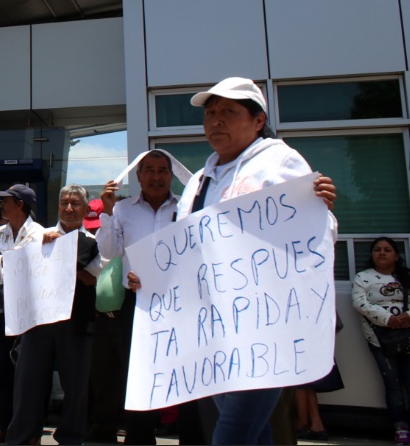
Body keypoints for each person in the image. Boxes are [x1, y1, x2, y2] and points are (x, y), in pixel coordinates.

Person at [128, 77, 336, 446]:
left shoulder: (279, 162)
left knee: (233, 431)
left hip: (266, 327)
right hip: (215, 328)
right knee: (252, 431)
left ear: (258, 121)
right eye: (210, 114)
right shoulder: (199, 181)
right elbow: (183, 249)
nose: (216, 120)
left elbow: (313, 234)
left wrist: (318, 208)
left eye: (228, 111)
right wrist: (151, 276)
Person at [91, 149, 188, 444]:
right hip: (137, 304)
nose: (156, 177)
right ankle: (140, 438)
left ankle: (190, 434)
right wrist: (107, 213)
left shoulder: (186, 207)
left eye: (162, 171)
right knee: (138, 374)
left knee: (183, 370)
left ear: (171, 176)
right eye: (150, 170)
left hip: (180, 303)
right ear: (138, 176)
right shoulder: (123, 210)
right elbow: (109, 251)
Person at [6, 184, 101, 446]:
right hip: (38, 319)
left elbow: (91, 273)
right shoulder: (38, 236)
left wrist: (58, 254)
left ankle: (70, 438)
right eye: (64, 203)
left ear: (86, 209)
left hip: (77, 320)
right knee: (29, 381)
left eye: (75, 203)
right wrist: (71, 268)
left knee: (75, 385)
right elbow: (18, 264)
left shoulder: (94, 241)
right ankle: (25, 436)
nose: (69, 208)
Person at [0, 183, 47, 443]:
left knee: (28, 372)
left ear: (20, 204)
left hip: (27, 304)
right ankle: (4, 427)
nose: (1, 205)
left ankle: (30, 431)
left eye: (6, 200)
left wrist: (3, 260)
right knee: (1, 370)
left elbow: (29, 261)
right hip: (0, 304)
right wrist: (8, 260)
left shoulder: (37, 232)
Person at [353, 236, 410, 445]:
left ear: (396, 256)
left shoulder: (406, 276)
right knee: (392, 383)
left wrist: (407, 316)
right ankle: (401, 428)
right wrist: (388, 319)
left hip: (408, 336)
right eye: (377, 249)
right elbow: (360, 303)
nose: (382, 253)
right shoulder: (363, 277)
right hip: (380, 339)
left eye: (387, 249)